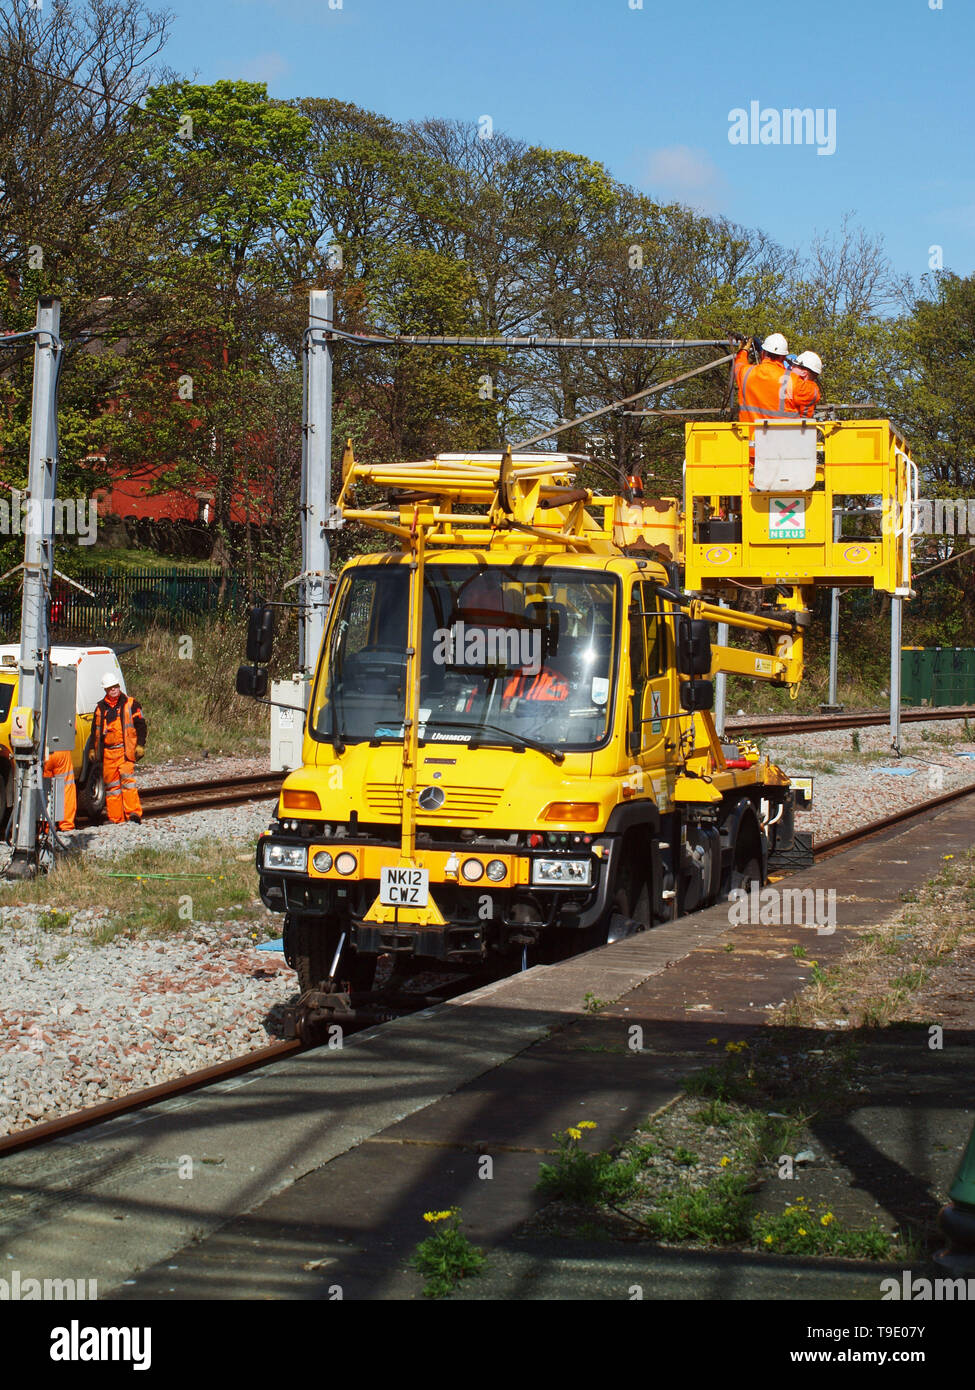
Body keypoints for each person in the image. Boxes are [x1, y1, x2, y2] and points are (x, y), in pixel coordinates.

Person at [90, 672, 146, 824]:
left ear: (119, 687)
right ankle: (115, 819)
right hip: (108, 752)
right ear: (105, 690)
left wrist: (140, 745)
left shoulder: (131, 704)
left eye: (115, 687)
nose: (113, 690)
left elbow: (141, 726)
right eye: (110, 688)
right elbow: (94, 731)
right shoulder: (100, 708)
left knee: (128, 783)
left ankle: (133, 814)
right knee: (112, 787)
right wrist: (92, 749)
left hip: (125, 751)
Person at [734, 332, 792, 424]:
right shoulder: (792, 379)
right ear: (784, 357)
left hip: (750, 436)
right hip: (783, 437)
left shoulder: (747, 373)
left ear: (764, 353)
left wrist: (743, 351)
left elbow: (738, 366)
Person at [42, 748, 76, 832]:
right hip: (62, 751)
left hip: (43, 753)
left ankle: (46, 828)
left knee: (45, 790)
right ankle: (67, 826)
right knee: (66, 788)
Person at [786, 350, 823, 417]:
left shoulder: (804, 389)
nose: (791, 367)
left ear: (804, 373)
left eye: (794, 365)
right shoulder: (812, 391)